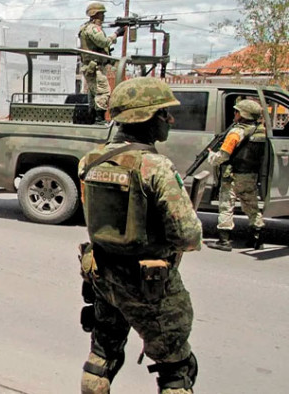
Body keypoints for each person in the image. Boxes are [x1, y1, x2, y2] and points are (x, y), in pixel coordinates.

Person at [78, 78, 200, 394]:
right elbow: (187, 234)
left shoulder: (90, 161)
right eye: (164, 114)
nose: (170, 120)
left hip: (104, 278)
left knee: (101, 356)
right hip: (150, 286)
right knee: (177, 370)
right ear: (146, 118)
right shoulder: (155, 167)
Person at [207, 98, 266, 251]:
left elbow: (224, 155)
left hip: (233, 175)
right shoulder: (260, 130)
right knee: (252, 205)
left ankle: (224, 241)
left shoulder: (236, 132)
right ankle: (257, 238)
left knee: (226, 205)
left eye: (237, 111)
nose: (234, 114)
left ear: (243, 114)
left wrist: (212, 156)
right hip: (250, 175)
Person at [79, 2, 126, 124]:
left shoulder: (86, 27)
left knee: (94, 91)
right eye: (101, 14)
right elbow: (103, 42)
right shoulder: (92, 28)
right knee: (103, 91)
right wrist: (116, 34)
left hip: (92, 65)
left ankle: (93, 116)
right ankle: (99, 119)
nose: (103, 16)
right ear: (95, 14)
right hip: (95, 66)